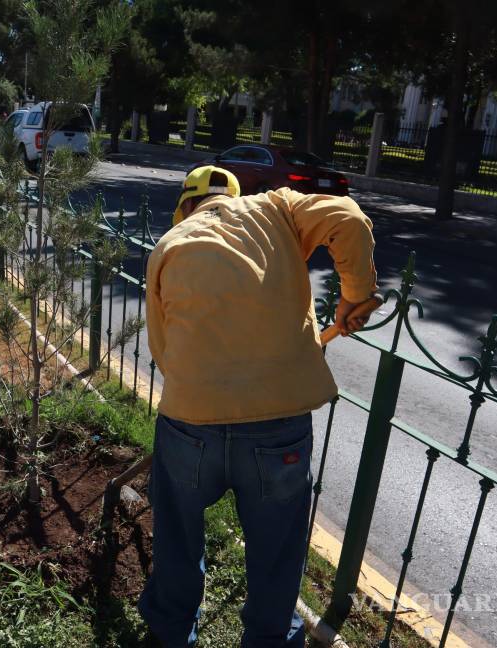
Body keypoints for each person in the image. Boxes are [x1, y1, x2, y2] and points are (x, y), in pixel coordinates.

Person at [140, 165, 379, 647]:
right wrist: (355, 295)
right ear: (237, 194)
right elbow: (349, 220)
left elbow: (163, 349)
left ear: (184, 207)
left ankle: (170, 633)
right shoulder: (275, 208)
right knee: (276, 550)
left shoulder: (169, 245)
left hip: (191, 421)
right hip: (278, 428)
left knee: (177, 535)